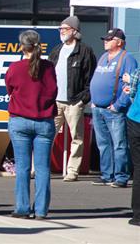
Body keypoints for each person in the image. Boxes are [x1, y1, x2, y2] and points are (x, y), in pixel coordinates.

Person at [5, 30, 58, 219]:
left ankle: (22, 208)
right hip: (44, 121)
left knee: (23, 167)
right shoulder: (49, 68)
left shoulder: (15, 67)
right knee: (43, 168)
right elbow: (53, 91)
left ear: (22, 46)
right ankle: (42, 210)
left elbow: (9, 88)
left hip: (20, 120)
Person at [48, 16, 96, 182]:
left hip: (75, 102)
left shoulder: (85, 51)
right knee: (47, 135)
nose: (61, 31)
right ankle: (39, 168)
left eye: (65, 28)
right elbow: (48, 76)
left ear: (74, 31)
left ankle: (72, 171)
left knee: (77, 137)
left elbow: (91, 78)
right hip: (55, 102)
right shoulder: (56, 50)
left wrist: (83, 99)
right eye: (60, 28)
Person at [90, 28, 137, 188]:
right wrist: (94, 101)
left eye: (109, 39)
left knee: (119, 144)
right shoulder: (103, 57)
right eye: (106, 39)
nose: (106, 41)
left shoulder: (127, 59)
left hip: (114, 110)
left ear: (119, 42)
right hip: (98, 108)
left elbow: (130, 86)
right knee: (103, 144)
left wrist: (118, 105)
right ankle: (106, 174)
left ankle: (121, 176)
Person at [122, 71, 140, 226]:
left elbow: (133, 93)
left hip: (135, 119)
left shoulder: (138, 71)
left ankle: (138, 214)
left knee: (139, 167)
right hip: (135, 118)